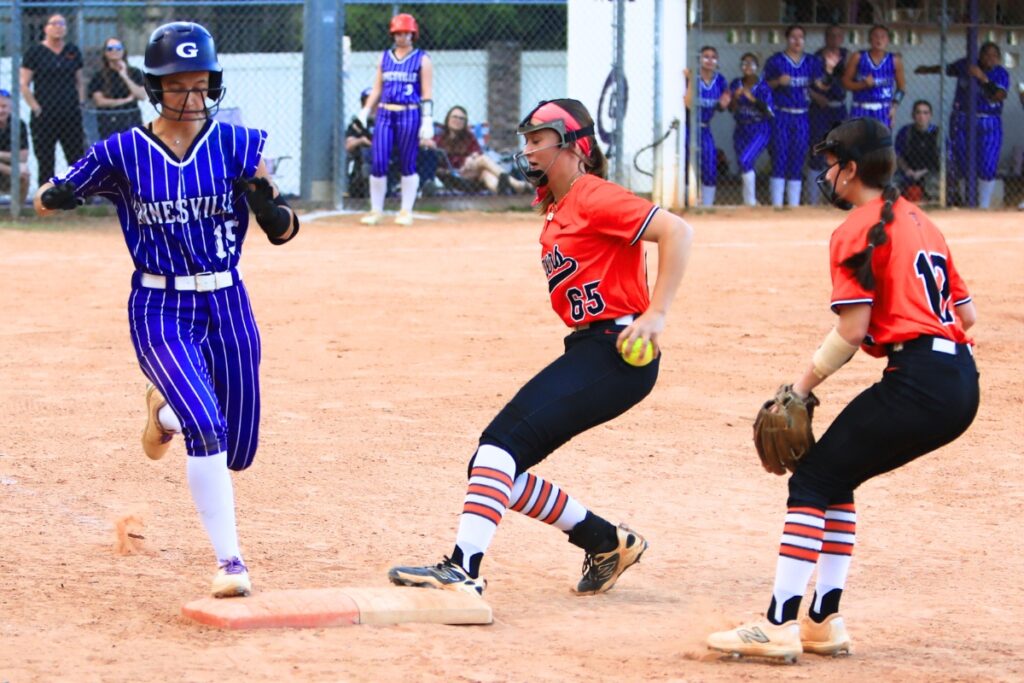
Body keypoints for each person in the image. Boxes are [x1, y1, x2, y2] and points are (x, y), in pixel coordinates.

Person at [32, 22, 299, 599]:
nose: (191, 98)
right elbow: (45, 197)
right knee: (208, 429)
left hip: (228, 299)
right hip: (160, 303)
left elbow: (285, 227)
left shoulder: (237, 144)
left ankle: (164, 413)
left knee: (240, 447)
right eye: (178, 86)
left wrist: (270, 209)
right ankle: (231, 563)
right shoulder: (124, 151)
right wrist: (56, 196)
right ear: (155, 88)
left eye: (201, 85)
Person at [387, 99, 693, 597]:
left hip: (617, 351)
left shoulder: (592, 194)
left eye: (538, 140)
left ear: (574, 146)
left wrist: (655, 315)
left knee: (497, 448)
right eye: (526, 140)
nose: (527, 150)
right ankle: (605, 541)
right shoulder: (558, 205)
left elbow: (677, 230)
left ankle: (464, 569)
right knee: (493, 466)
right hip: (591, 349)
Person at [706, 117, 979, 662]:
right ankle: (823, 621)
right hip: (959, 383)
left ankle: (779, 625)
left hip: (919, 382)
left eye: (831, 165)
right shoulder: (923, 220)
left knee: (811, 479)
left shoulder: (855, 228)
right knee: (837, 474)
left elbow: (852, 331)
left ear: (851, 171)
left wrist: (801, 389)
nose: (825, 174)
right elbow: (966, 317)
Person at [356, 13, 434, 226]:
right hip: (384, 112)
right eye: (398, 33)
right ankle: (376, 210)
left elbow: (427, 92)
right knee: (378, 160)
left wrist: (427, 118)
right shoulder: (384, 57)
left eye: (406, 33)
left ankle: (405, 210)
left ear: (413, 33)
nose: (402, 37)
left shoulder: (422, 59)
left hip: (409, 112)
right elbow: (377, 88)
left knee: (408, 161)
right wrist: (365, 111)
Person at [916, 42, 1008, 208]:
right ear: (979, 55)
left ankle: (984, 205)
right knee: (963, 162)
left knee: (987, 164)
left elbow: (999, 95)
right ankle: (968, 204)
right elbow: (948, 69)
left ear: (999, 59)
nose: (990, 58)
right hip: (962, 118)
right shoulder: (967, 65)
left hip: (988, 120)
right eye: (986, 54)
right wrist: (927, 69)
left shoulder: (1001, 73)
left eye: (994, 55)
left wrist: (982, 78)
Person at [764, 25, 827, 207]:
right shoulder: (776, 61)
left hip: (802, 115)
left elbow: (820, 86)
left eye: (801, 37)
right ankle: (776, 205)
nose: (797, 41)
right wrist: (777, 81)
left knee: (798, 158)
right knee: (780, 156)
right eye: (793, 37)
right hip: (781, 114)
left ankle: (794, 205)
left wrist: (828, 74)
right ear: (786, 39)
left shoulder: (811, 62)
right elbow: (763, 88)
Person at [19, 13, 85, 184]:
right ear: (45, 28)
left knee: (76, 156)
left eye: (62, 23)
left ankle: (78, 195)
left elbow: (80, 81)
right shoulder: (35, 52)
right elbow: (24, 84)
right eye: (54, 23)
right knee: (46, 159)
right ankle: (47, 198)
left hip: (70, 113)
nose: (58, 27)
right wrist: (35, 108)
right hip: (44, 115)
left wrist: (80, 102)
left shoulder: (72, 51)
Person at [425, 105, 529, 195]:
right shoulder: (439, 138)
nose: (458, 120)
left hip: (470, 171)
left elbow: (477, 152)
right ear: (448, 119)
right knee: (483, 160)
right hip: (454, 175)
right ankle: (516, 184)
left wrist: (472, 157)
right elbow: (435, 161)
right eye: (455, 117)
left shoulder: (469, 137)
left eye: (462, 119)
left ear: (465, 122)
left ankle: (501, 190)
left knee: (485, 173)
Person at [684, 46, 731, 207]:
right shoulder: (692, 78)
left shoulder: (720, 80)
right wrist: (690, 81)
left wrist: (726, 101)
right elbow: (689, 104)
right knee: (687, 165)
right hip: (689, 127)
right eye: (706, 56)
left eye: (713, 57)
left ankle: (707, 206)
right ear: (699, 60)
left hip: (705, 127)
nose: (710, 60)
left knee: (710, 164)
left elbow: (724, 104)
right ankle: (687, 203)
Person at [808, 24, 848, 205]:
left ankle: (836, 196)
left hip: (839, 107)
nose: (835, 39)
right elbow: (805, 84)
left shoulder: (847, 56)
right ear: (825, 37)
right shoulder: (815, 57)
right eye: (831, 35)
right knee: (818, 149)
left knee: (839, 151)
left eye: (838, 35)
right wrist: (815, 95)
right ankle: (813, 200)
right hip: (819, 109)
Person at [729, 53, 774, 207]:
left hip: (760, 128)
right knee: (744, 164)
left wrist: (751, 98)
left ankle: (750, 202)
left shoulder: (763, 85)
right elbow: (730, 109)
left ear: (757, 66)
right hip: (741, 128)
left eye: (751, 63)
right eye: (744, 63)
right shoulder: (736, 83)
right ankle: (748, 200)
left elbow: (769, 111)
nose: (747, 66)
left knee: (745, 160)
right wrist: (735, 98)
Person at [842, 25, 906, 128]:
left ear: (888, 40)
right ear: (869, 39)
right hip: (860, 108)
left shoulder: (894, 60)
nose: (879, 40)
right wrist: (862, 85)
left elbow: (901, 88)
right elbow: (845, 82)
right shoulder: (858, 57)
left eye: (883, 37)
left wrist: (894, 107)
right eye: (876, 36)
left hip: (883, 110)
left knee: (881, 143)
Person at [87, 37, 147, 139]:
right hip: (108, 122)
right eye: (110, 48)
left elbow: (141, 95)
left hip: (131, 119)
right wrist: (125, 100)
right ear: (105, 53)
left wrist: (124, 76)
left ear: (123, 51)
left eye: (118, 48)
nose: (114, 51)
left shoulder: (134, 72)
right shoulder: (99, 75)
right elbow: (99, 101)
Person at [894, 100, 940, 202]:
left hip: (929, 171)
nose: (921, 116)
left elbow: (941, 159)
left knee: (934, 183)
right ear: (913, 115)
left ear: (930, 115)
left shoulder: (937, 133)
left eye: (925, 113)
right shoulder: (905, 132)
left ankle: (934, 205)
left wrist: (923, 172)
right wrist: (907, 170)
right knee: (893, 184)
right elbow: (898, 155)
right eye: (918, 112)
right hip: (908, 171)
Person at [0, 88, 31, 205]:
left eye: (4, 106)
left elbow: (23, 156)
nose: (1, 110)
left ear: (10, 107)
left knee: (24, 172)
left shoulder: (18, 124)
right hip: (8, 168)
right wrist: (12, 171)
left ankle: (16, 210)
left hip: (9, 167)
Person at [346, 88, 374, 198]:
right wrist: (361, 140)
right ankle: (365, 186)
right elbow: (348, 145)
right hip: (363, 159)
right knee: (365, 151)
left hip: (387, 155)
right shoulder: (358, 123)